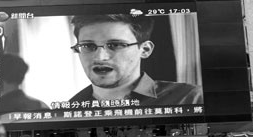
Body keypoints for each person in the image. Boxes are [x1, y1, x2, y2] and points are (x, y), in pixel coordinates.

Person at [69, 14, 203, 105]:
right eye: (88, 46)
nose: (100, 57)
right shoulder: (67, 110)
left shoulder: (190, 98)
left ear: (145, 50)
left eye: (115, 45)